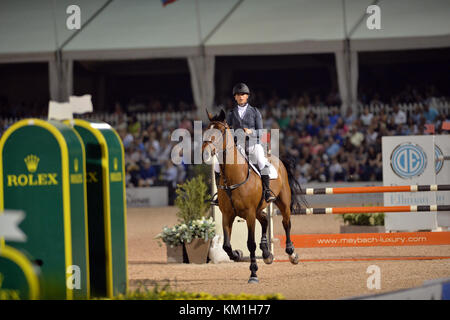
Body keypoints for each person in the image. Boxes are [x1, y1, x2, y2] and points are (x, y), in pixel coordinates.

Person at [211, 83, 276, 205]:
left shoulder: (255, 112)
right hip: (237, 147)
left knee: (261, 161)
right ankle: (219, 195)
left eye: (243, 94)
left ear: (247, 97)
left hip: (253, 145)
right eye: (238, 95)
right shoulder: (231, 113)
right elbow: (228, 131)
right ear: (235, 97)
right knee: (216, 166)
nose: (241, 96)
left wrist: (251, 131)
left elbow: (261, 132)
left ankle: (267, 191)